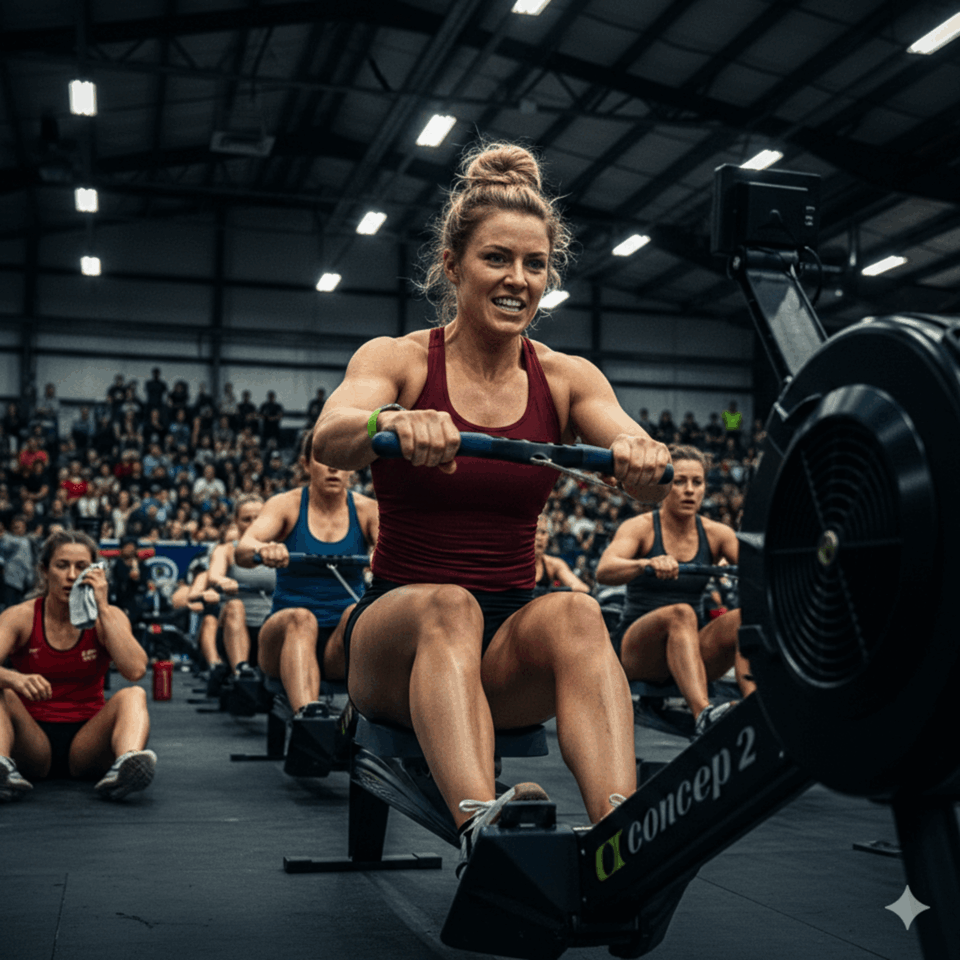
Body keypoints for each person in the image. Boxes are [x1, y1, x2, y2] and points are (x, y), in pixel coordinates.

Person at [311, 141, 671, 874]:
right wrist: (391, 426)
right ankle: (487, 837)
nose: (518, 279)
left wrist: (647, 462)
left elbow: (641, 457)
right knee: (449, 606)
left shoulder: (568, 378)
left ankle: (623, 841)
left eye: (535, 265)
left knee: (573, 611)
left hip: (503, 649)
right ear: (452, 266)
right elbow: (331, 436)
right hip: (395, 638)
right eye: (496, 259)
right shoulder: (402, 359)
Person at [595, 445, 755, 738]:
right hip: (638, 651)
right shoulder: (641, 527)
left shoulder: (717, 533)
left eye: (697, 482)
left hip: (689, 650)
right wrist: (645, 563)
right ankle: (703, 714)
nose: (689, 490)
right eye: (679, 481)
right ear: (663, 485)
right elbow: (604, 570)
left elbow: (758, 575)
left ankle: (757, 706)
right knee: (681, 613)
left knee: (744, 617)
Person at [0, 530, 156, 801]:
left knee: (134, 695)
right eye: (62, 566)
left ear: (94, 572)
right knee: (3, 690)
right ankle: (1, 765)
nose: (72, 576)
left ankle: (126, 764)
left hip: (88, 743)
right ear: (44, 571)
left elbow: (135, 671)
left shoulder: (110, 617)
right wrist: (14, 679)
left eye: (82, 567)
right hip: (32, 742)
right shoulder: (21, 616)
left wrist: (104, 609)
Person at [236, 432, 377, 717]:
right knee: (302, 618)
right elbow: (243, 549)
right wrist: (265, 550)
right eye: (323, 459)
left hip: (337, 645)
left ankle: (370, 725)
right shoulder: (284, 505)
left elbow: (392, 547)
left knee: (357, 612)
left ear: (352, 467)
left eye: (341, 461)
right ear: (305, 464)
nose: (333, 467)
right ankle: (309, 722)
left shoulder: (367, 510)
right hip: (285, 636)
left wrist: (381, 556)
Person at [205, 495, 275, 690]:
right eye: (246, 519)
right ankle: (241, 675)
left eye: (258, 518)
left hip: (270, 626)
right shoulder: (226, 550)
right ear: (236, 522)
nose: (253, 523)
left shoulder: (279, 550)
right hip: (234, 626)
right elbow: (214, 575)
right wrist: (224, 580)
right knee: (234, 605)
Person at [533, 515, 590, 596]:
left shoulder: (553, 564)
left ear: (548, 537)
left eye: (543, 532)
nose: (539, 537)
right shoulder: (513, 563)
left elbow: (581, 587)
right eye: (534, 532)